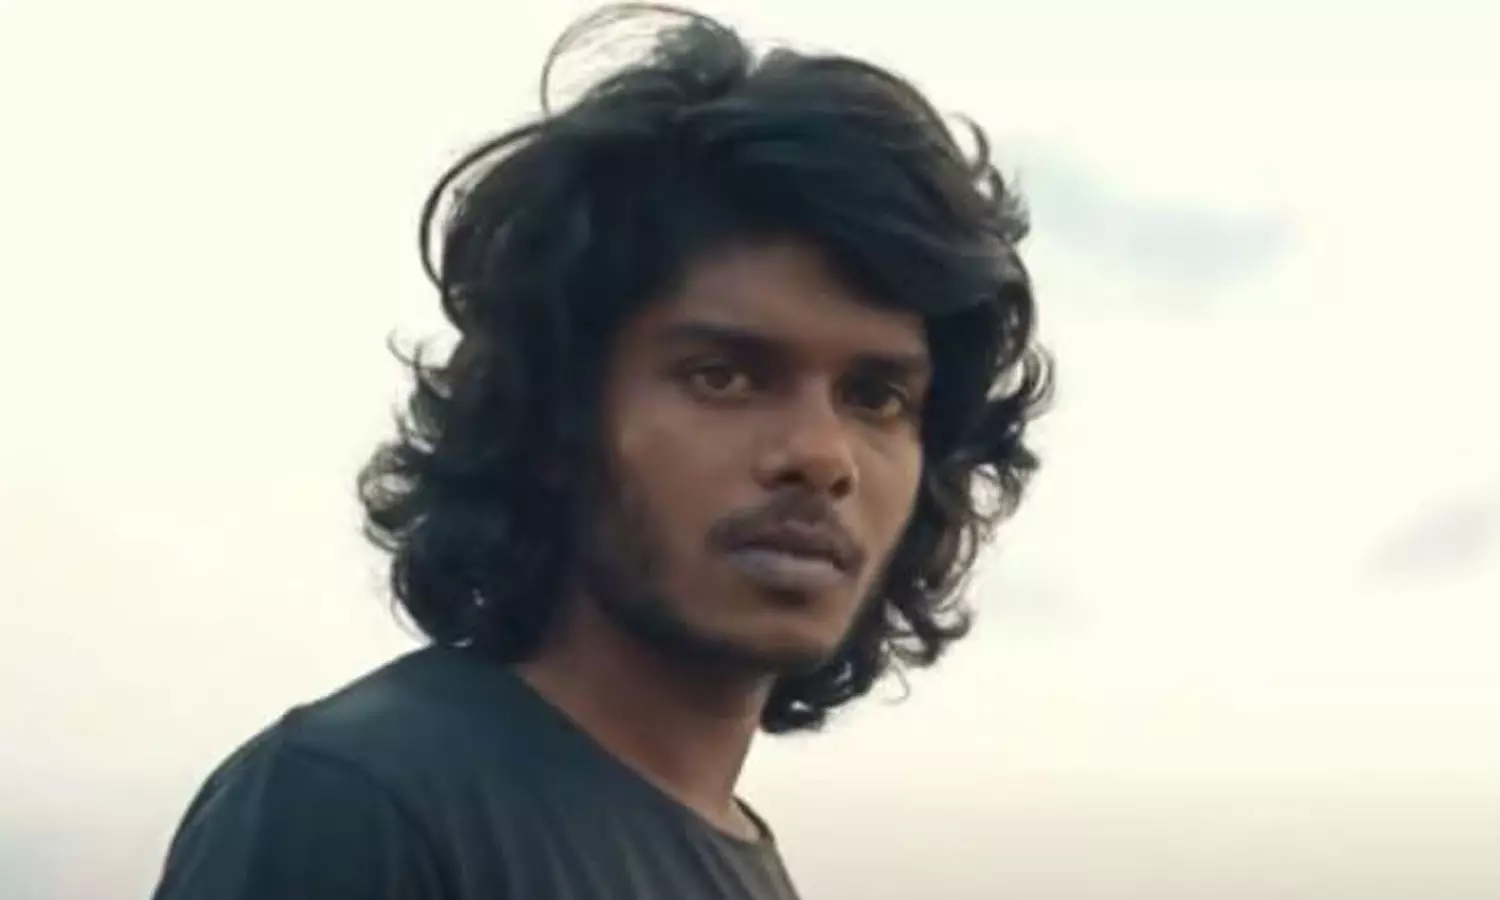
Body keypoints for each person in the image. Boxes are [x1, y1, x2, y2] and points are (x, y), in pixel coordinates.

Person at [149, 4, 1051, 898]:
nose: (821, 455)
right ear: (557, 419)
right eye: (723, 377)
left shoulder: (736, 861)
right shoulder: (357, 805)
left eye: (876, 397)